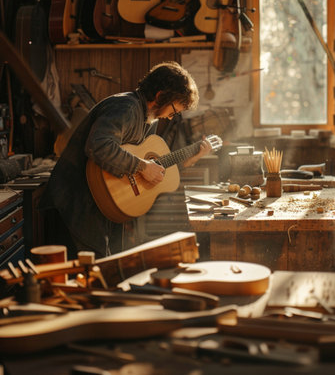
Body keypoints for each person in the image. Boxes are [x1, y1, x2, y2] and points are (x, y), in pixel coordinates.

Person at [40, 61, 213, 258]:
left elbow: (153, 167)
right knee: (77, 279)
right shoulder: (126, 107)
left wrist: (188, 160)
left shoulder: (148, 119)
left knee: (102, 273)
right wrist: (140, 166)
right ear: (160, 95)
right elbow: (99, 145)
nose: (172, 117)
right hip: (74, 204)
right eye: (173, 110)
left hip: (101, 208)